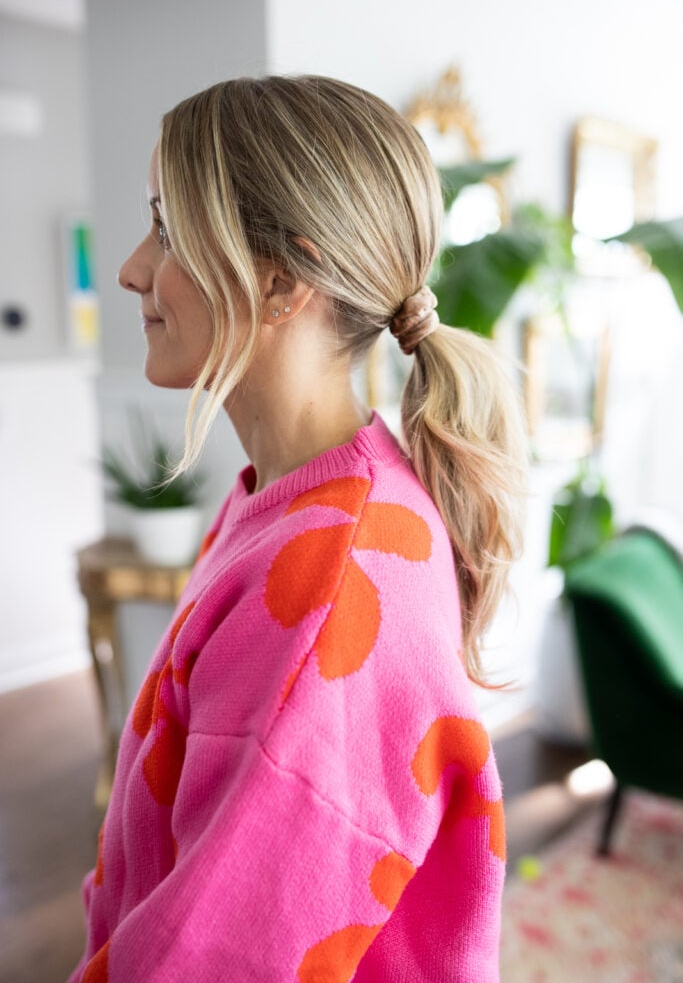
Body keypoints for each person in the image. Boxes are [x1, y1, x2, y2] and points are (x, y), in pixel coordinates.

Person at [69, 75, 527, 983]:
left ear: (279, 281)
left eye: (166, 228)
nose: (130, 268)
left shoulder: (325, 584)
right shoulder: (290, 502)